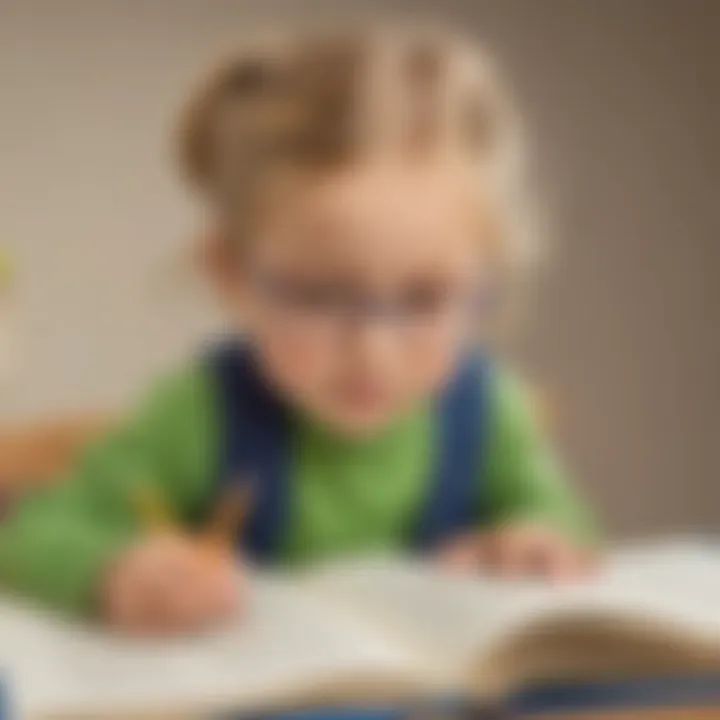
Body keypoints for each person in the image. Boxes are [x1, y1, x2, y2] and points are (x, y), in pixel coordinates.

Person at [0, 28, 595, 634]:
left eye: (424, 298)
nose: (373, 350)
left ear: (485, 280)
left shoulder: (490, 412)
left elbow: (565, 524)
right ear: (232, 272)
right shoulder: (200, 416)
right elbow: (30, 538)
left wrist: (536, 543)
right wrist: (114, 571)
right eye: (319, 295)